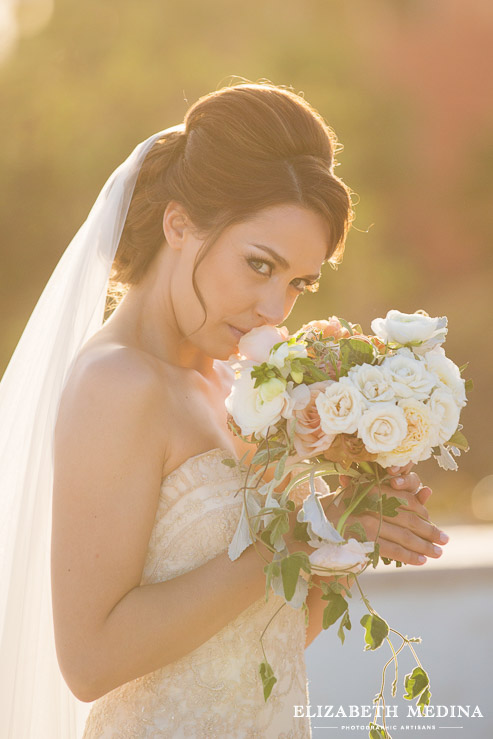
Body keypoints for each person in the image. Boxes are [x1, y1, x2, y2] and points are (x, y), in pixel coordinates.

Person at [0, 81, 448, 739]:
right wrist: (294, 536)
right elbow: (90, 662)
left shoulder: (235, 385)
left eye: (298, 281)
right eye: (258, 265)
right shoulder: (115, 384)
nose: (276, 308)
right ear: (178, 224)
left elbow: (263, 634)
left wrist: (347, 527)